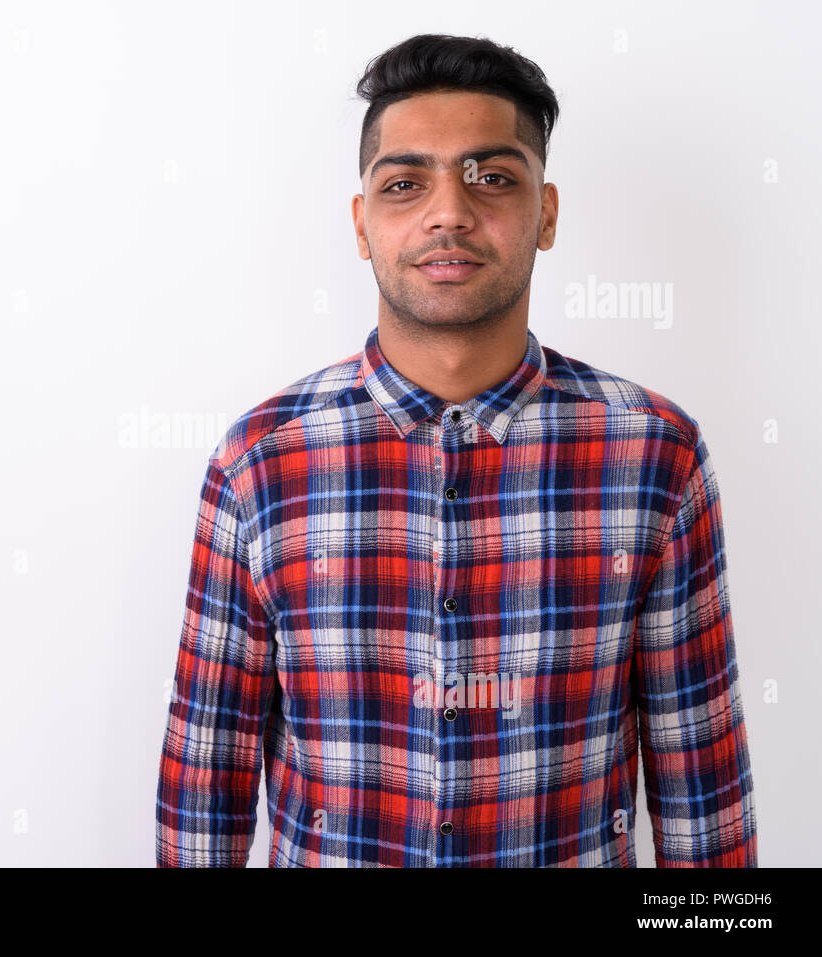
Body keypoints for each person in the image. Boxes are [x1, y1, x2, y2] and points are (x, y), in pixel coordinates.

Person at [155, 33, 756, 867]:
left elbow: (704, 783)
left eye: (491, 177)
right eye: (406, 184)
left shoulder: (655, 454)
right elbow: (204, 780)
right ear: (363, 225)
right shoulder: (259, 461)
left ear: (545, 213)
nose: (449, 212)